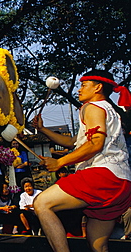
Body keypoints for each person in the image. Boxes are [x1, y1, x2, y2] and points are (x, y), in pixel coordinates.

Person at [32, 70, 131, 252]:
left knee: (42, 203)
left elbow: (96, 144)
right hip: (121, 181)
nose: (79, 90)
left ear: (98, 87)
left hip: (103, 175)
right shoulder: (109, 109)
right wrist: (43, 129)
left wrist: (60, 162)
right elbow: (74, 143)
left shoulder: (92, 107)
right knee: (98, 246)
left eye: (84, 85)